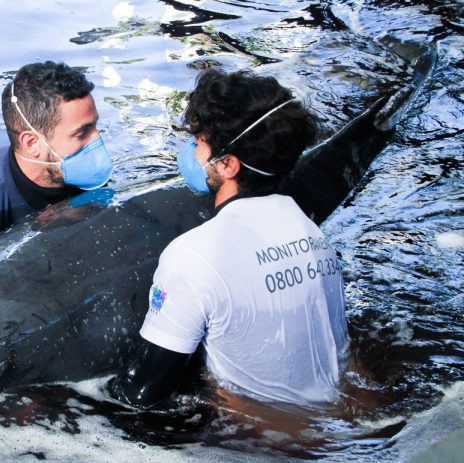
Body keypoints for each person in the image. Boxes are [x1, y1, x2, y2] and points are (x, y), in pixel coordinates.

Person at [109, 68, 349, 409]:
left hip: (257, 440)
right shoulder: (310, 233)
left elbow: (141, 393)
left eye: (198, 143)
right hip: (329, 414)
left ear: (227, 165)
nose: (192, 155)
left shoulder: (192, 255)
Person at [0, 61, 113, 268]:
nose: (97, 139)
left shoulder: (84, 173)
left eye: (95, 126)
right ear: (32, 143)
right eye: (82, 132)